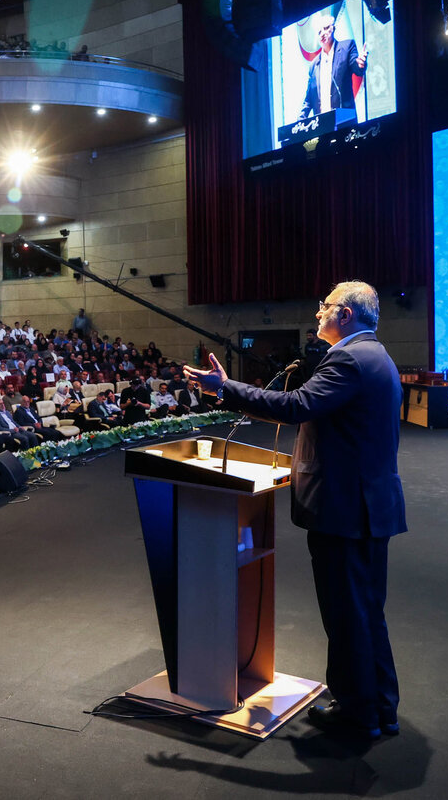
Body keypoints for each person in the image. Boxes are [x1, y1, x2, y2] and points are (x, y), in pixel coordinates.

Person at [186, 281, 404, 740]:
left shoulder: (347, 358)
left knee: (347, 616)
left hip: (345, 510)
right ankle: (379, 707)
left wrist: (225, 388)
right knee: (366, 612)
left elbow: (297, 406)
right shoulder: (376, 355)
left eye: (324, 306)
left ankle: (357, 716)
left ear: (344, 314)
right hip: (366, 505)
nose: (318, 312)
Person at [298, 15, 367, 120]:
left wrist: (361, 64)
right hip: (322, 124)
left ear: (333, 28)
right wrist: (299, 123)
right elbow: (309, 99)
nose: (322, 34)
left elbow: (358, 69)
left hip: (344, 119)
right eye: (319, 32)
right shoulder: (314, 65)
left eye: (325, 28)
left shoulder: (347, 47)